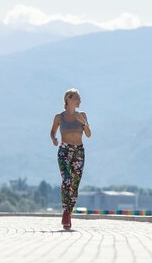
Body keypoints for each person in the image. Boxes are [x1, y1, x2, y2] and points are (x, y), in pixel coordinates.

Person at [50, 88, 92, 230]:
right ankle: (65, 213)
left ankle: (69, 211)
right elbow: (52, 131)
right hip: (64, 151)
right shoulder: (59, 117)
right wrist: (54, 138)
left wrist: (84, 123)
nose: (79, 100)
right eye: (77, 98)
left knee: (74, 185)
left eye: (79, 98)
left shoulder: (82, 115)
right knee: (66, 180)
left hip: (78, 152)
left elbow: (89, 134)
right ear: (68, 99)